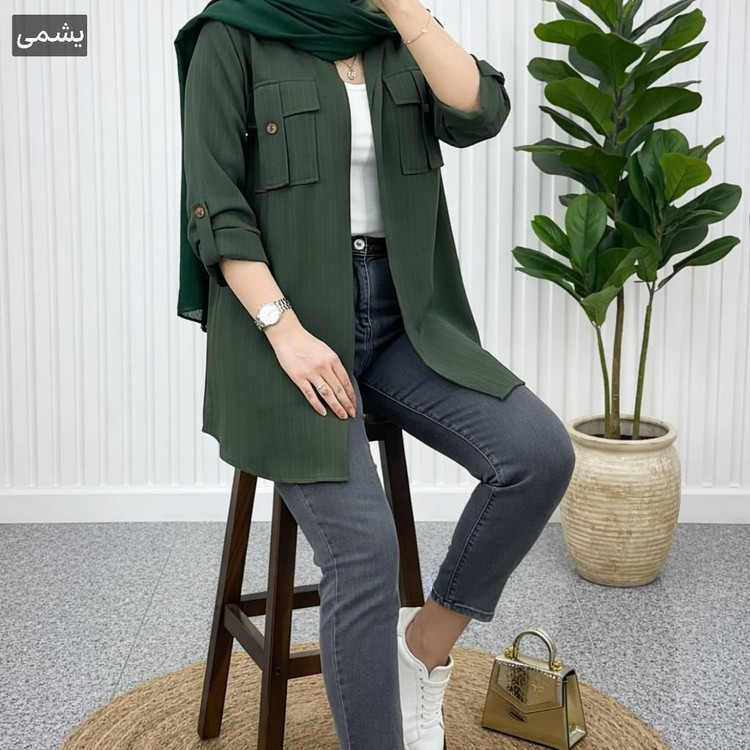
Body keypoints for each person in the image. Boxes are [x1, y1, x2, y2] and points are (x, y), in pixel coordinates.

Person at [176, 1, 576, 748]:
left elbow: (480, 111)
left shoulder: (395, 35)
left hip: (406, 321)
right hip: (281, 329)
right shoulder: (232, 34)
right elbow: (215, 206)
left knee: (538, 454)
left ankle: (421, 647)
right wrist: (284, 332)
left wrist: (403, 9)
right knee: (364, 551)